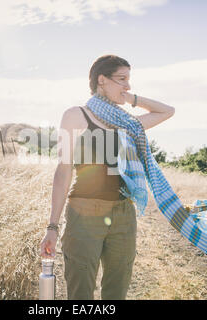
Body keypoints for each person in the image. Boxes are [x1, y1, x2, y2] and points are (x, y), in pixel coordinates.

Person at [40, 54, 175, 300]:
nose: (128, 86)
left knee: (117, 291)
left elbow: (167, 111)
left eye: (129, 80)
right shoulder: (76, 115)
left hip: (123, 214)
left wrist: (130, 98)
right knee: (81, 291)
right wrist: (52, 226)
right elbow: (63, 170)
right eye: (121, 79)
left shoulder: (127, 123)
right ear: (101, 80)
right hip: (84, 213)